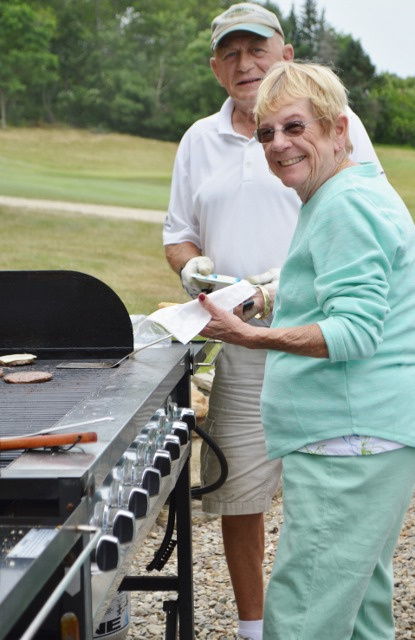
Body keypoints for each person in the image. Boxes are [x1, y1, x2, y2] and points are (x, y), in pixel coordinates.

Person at [163, 4, 383, 638]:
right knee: (240, 493)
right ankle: (255, 628)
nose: (244, 63)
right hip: (241, 342)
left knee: (336, 494)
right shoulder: (198, 141)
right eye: (230, 53)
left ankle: (348, 623)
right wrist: (191, 269)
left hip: (328, 337)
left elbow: (363, 214)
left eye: (256, 49)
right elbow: (178, 234)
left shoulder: (331, 125)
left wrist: (275, 288)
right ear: (215, 68)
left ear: (286, 55)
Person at [196, 60, 415, 640]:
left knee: (302, 619)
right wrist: (268, 298)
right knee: (361, 610)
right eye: (266, 133)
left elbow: (355, 331)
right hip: (367, 439)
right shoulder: (344, 193)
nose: (278, 144)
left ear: (338, 130)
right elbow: (343, 295)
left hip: (348, 444)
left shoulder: (344, 204)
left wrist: (249, 338)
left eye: (295, 127)